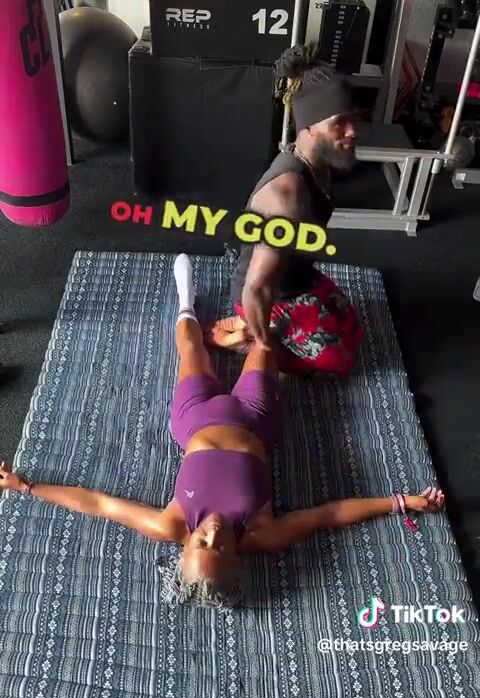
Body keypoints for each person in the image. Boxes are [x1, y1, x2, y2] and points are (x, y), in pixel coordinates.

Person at [0, 256, 445, 610]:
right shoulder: (263, 534)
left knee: (190, 347)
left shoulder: (169, 523)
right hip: (255, 419)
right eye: (219, 546)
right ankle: (241, 338)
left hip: (194, 418)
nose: (211, 532)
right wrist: (400, 503)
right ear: (237, 558)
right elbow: (329, 515)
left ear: (186, 545)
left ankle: (186, 301)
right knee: (267, 339)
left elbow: (98, 504)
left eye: (201, 542)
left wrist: (28, 487)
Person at [206, 44, 363, 377]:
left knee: (353, 329)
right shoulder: (286, 195)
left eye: (354, 120)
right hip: (268, 292)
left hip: (296, 276)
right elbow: (257, 288)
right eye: (340, 123)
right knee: (338, 362)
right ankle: (245, 338)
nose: (353, 132)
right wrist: (264, 346)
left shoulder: (319, 162)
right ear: (308, 127)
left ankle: (255, 329)